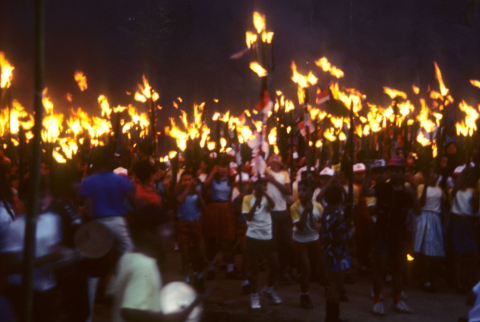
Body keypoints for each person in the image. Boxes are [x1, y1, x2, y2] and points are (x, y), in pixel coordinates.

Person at [108, 204, 199, 322]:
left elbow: (115, 297)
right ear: (149, 233)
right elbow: (129, 312)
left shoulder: (128, 257)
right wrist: (170, 318)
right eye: (165, 228)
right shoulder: (144, 265)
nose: (170, 233)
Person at [363, 156, 420, 316]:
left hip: (399, 236)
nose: (395, 173)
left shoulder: (407, 191)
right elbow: (365, 192)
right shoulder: (382, 187)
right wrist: (368, 174)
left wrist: (414, 194)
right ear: (389, 172)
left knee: (398, 270)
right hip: (382, 234)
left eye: (398, 171)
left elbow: (418, 211)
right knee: (379, 269)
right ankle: (377, 301)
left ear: (402, 173)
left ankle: (397, 300)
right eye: (392, 170)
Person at [242, 176, 282, 309]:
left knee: (275, 265)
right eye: (261, 185)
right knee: (254, 267)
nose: (264, 187)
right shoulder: (247, 198)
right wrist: (256, 201)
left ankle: (268, 289)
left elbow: (273, 205)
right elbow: (248, 216)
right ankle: (254, 296)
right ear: (255, 186)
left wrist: (264, 194)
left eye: (265, 185)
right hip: (253, 236)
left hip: (267, 236)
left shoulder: (268, 197)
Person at [320, 184, 352, 322]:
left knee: (331, 286)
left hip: (327, 251)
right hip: (337, 254)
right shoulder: (338, 214)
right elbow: (342, 238)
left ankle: (331, 317)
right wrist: (351, 232)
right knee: (336, 287)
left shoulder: (325, 211)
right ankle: (332, 318)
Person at [290, 180, 324, 309]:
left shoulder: (318, 206)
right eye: (300, 190)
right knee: (306, 268)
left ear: (311, 192)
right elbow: (300, 226)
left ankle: (327, 287)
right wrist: (305, 211)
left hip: (314, 238)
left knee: (322, 264)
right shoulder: (294, 207)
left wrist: (318, 226)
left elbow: (322, 223)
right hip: (300, 240)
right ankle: (304, 296)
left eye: (305, 190)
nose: (301, 193)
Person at [446, 166, 479, 294]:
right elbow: (454, 191)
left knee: (472, 254)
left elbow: (475, 210)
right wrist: (462, 177)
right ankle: (458, 283)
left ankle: (468, 282)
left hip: (468, 223)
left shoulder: (473, 192)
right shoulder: (453, 191)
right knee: (457, 255)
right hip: (457, 222)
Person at [203, 160, 237, 279]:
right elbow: (204, 186)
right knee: (211, 239)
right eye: (221, 167)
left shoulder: (230, 179)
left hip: (226, 208)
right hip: (213, 208)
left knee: (228, 239)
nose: (224, 169)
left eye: (225, 167)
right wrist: (212, 174)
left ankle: (230, 268)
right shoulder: (212, 178)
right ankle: (211, 268)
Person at [415, 167, 445, 292]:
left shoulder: (439, 189)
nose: (434, 175)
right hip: (425, 217)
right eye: (431, 173)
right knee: (426, 251)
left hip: (435, 219)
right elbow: (421, 203)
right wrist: (426, 186)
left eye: (436, 173)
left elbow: (443, 203)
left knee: (434, 250)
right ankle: (424, 279)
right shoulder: (422, 187)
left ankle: (432, 278)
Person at [265, 154, 294, 282]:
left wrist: (273, 181)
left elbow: (288, 191)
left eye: (277, 157)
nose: (275, 158)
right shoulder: (266, 171)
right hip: (270, 213)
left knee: (288, 243)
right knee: (273, 245)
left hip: (283, 213)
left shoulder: (284, 174)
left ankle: (284, 270)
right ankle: (275, 274)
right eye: (272, 157)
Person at [176, 171, 206, 292]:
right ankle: (186, 279)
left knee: (200, 251)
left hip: (195, 223)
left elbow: (203, 206)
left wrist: (198, 193)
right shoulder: (179, 192)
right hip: (183, 224)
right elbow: (180, 200)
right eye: (185, 180)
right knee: (185, 253)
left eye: (189, 180)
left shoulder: (197, 191)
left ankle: (198, 275)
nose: (188, 182)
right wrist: (188, 188)